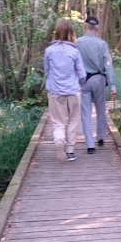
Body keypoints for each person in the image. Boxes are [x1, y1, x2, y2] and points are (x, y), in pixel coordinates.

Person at [43, 19, 86, 162]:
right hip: (73, 92)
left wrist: (54, 84)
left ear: (57, 32)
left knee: (58, 122)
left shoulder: (49, 51)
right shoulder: (74, 51)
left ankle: (59, 140)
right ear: (71, 33)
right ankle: (70, 152)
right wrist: (79, 85)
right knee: (73, 122)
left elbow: (47, 72)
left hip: (55, 93)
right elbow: (82, 74)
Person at [77, 15, 116, 154]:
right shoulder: (102, 44)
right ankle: (100, 137)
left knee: (85, 113)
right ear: (97, 28)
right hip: (99, 79)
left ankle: (90, 145)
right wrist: (112, 85)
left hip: (83, 81)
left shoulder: (77, 42)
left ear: (85, 26)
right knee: (101, 109)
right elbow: (108, 66)